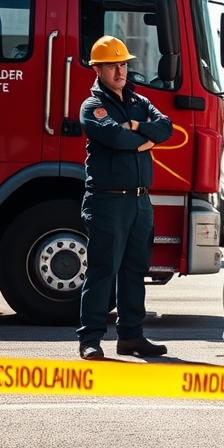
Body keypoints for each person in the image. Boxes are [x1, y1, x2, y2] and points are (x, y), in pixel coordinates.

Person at [77, 35, 173, 360]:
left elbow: (166, 127)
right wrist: (144, 139)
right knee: (103, 269)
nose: (120, 71)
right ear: (97, 69)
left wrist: (136, 126)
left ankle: (131, 337)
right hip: (107, 201)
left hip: (139, 202)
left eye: (123, 64)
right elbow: (116, 139)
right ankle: (90, 339)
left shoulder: (138, 103)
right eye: (113, 65)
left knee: (135, 270)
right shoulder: (93, 107)